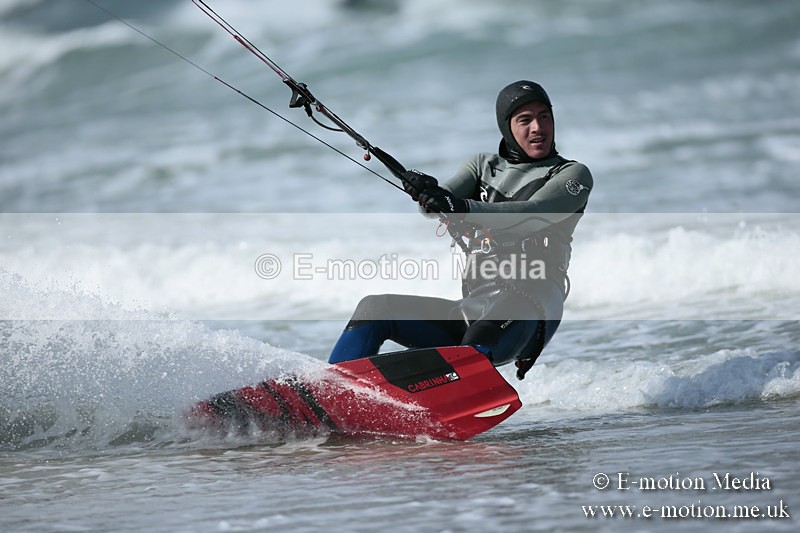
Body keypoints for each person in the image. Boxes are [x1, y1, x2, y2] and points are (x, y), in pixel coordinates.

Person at [327, 80, 592, 380]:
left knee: (474, 344)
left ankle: (439, 398)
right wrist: (428, 192)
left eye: (544, 116)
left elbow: (533, 214)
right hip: (474, 306)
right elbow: (434, 207)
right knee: (374, 309)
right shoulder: (483, 166)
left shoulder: (572, 174)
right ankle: (333, 392)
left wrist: (460, 207)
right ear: (507, 127)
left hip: (532, 305)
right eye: (525, 120)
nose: (537, 127)